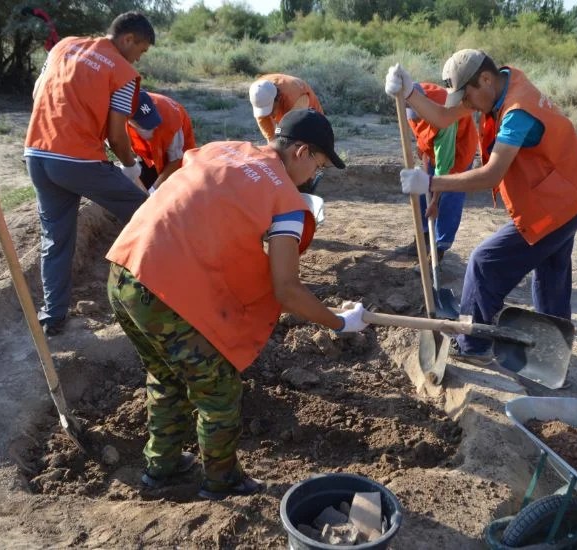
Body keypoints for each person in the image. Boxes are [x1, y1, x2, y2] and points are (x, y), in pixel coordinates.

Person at [105, 109, 370, 500]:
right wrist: (339, 323)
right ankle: (221, 482)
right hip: (162, 294)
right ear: (301, 151)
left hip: (123, 271)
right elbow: (287, 290)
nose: (314, 175)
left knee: (166, 376)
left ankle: (162, 468)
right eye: (318, 165)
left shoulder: (223, 150)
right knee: (219, 392)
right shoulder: (286, 201)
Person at [385, 50, 577, 362]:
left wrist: (431, 183)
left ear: (484, 79)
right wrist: (410, 93)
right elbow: (443, 116)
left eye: (466, 96)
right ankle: (551, 357)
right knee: (551, 276)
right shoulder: (500, 85)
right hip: (570, 195)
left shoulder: (518, 112)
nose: (466, 104)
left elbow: (491, 174)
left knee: (485, 263)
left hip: (556, 206)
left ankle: (473, 346)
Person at [24, 12, 154, 336]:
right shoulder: (122, 72)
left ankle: (52, 318)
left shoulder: (63, 46)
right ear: (127, 39)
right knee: (150, 215)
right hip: (77, 160)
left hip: (36, 153)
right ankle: (163, 290)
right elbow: (117, 135)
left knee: (56, 240)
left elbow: (38, 92)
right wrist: (131, 167)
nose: (139, 58)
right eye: (141, 49)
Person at [403, 81, 477, 264]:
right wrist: (422, 146)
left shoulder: (445, 118)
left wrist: (435, 202)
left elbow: (443, 169)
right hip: (435, 148)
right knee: (423, 191)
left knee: (448, 199)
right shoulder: (412, 94)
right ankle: (423, 239)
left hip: (458, 152)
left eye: (420, 117)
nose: (416, 120)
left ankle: (439, 249)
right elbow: (418, 127)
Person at [249, 74, 326, 193]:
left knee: (306, 148)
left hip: (308, 113)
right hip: (282, 102)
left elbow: (296, 134)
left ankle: (306, 183)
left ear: (278, 98)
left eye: (270, 108)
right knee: (276, 146)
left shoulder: (295, 99)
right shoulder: (258, 92)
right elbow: (271, 136)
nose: (269, 114)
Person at [127, 90, 196, 192]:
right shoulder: (116, 121)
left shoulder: (171, 120)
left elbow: (176, 160)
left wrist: (153, 191)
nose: (154, 127)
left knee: (181, 190)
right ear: (129, 120)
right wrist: (140, 185)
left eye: (151, 120)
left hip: (178, 156)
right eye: (145, 125)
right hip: (149, 155)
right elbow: (123, 154)